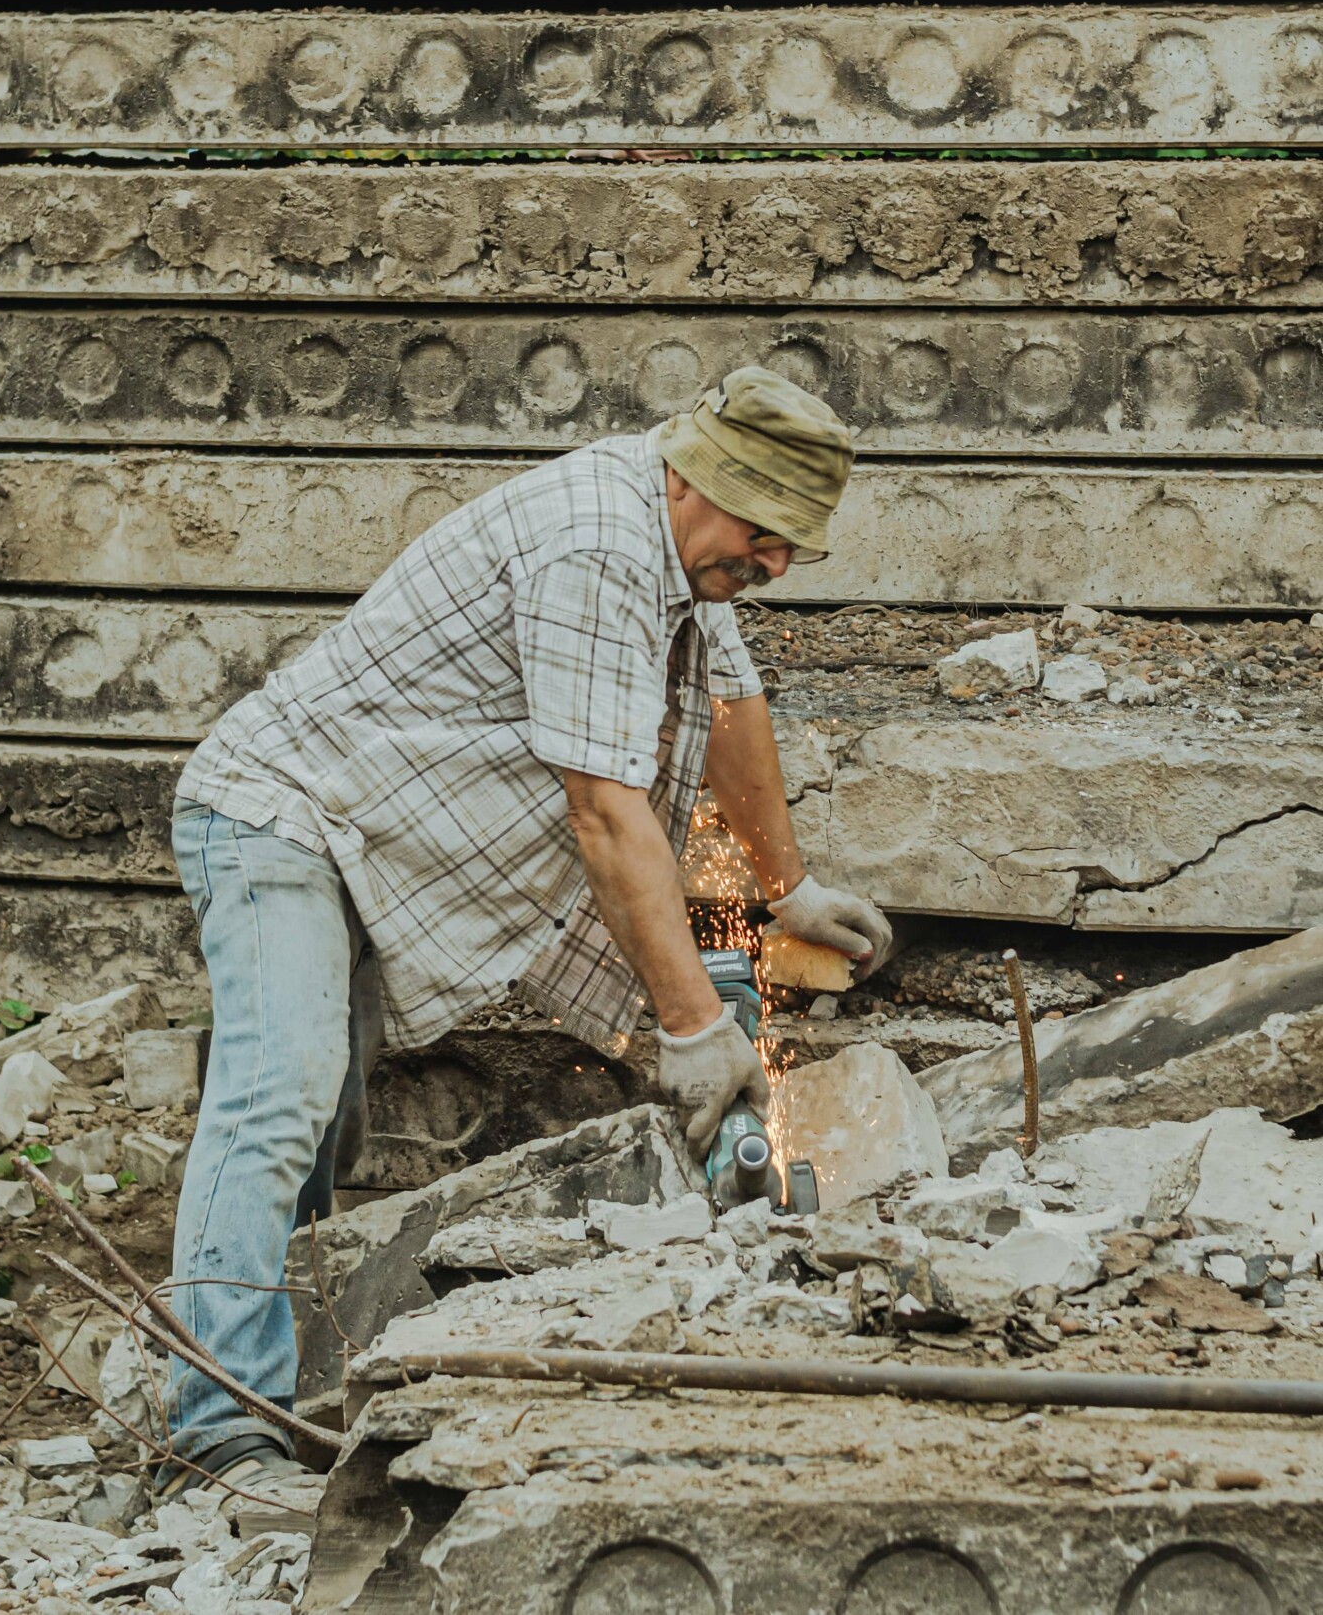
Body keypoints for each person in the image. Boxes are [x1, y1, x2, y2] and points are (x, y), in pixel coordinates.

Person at [158, 365, 892, 1505]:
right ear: (699, 483)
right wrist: (690, 1026)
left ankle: (271, 1395)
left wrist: (783, 890)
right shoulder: (595, 549)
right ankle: (209, 1441)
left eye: (794, 545)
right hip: (280, 815)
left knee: (322, 1131)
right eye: (765, 533)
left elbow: (734, 709)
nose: (776, 564)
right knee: (280, 1096)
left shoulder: (684, 554)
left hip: (371, 827)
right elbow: (605, 814)